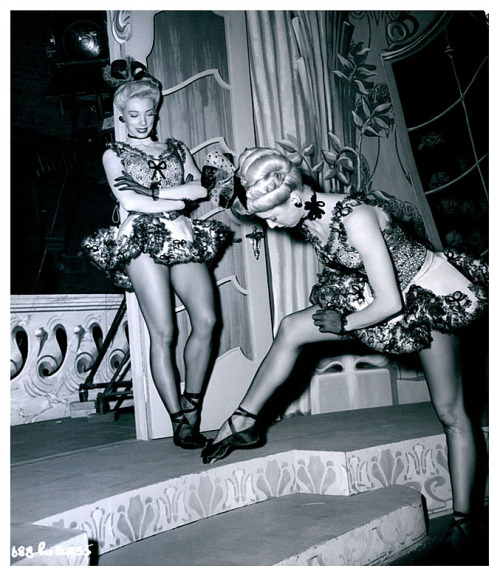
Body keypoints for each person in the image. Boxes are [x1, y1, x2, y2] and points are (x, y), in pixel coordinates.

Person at [201, 147, 488, 556]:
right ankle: (242, 420)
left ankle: (464, 524)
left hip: (427, 294)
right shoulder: (304, 211)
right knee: (291, 329)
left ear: (297, 198)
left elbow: (392, 303)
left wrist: (346, 322)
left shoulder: (356, 217)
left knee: (451, 412)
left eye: (270, 215)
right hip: (378, 289)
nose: (268, 224)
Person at [82, 59, 231, 449]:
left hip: (180, 233)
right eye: (133, 115)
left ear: (156, 111)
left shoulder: (177, 148)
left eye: (148, 113)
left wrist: (150, 194)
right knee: (163, 331)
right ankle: (179, 421)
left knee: (208, 320)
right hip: (140, 238)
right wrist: (169, 194)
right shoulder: (113, 152)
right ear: (121, 115)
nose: (142, 121)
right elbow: (126, 198)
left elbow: (199, 191)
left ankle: (193, 403)